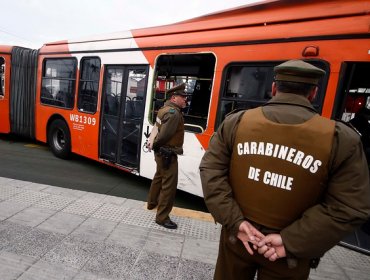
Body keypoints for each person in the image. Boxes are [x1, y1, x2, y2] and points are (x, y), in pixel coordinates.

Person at [199, 60, 370, 279]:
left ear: (273, 88)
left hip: (238, 239)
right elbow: (350, 207)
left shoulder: (236, 122)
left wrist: (236, 223)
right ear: (314, 93)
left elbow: (210, 172)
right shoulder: (341, 139)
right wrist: (289, 241)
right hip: (289, 255)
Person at [147, 82, 187, 230]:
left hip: (160, 153)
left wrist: (152, 144)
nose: (185, 100)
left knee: (158, 178)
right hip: (167, 154)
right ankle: (162, 217)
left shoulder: (163, 109)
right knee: (169, 186)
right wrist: (157, 144)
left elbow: (156, 129)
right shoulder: (174, 113)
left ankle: (152, 203)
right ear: (174, 97)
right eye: (183, 97)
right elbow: (164, 136)